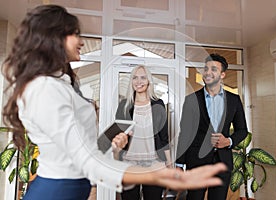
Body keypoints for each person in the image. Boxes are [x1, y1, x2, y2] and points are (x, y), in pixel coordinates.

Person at [1, 5, 227, 200]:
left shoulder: (59, 83)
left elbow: (83, 146)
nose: (81, 41)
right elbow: (82, 157)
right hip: (57, 190)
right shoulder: (44, 88)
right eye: (74, 34)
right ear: (53, 38)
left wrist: (111, 145)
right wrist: (158, 175)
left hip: (73, 187)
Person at [176, 53, 248, 200]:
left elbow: (242, 130)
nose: (208, 72)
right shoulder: (191, 100)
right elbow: (185, 134)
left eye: (213, 69)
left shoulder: (234, 100)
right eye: (206, 68)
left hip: (222, 162)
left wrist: (228, 141)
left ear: (222, 74)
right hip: (196, 160)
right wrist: (179, 163)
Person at [115, 65, 171, 200]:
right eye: (135, 77)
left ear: (149, 81)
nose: (138, 81)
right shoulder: (124, 105)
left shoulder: (158, 104)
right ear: (131, 81)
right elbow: (117, 136)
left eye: (143, 78)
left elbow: (164, 137)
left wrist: (169, 164)